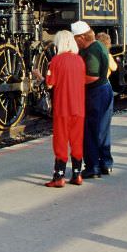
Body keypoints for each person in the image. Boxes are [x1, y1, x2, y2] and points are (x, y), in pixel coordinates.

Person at [71, 20, 114, 179]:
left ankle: (92, 166)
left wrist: (73, 81)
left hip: (96, 93)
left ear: (82, 37)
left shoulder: (92, 50)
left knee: (90, 130)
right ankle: (105, 163)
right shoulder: (99, 46)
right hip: (103, 90)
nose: (75, 43)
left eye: (76, 39)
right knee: (102, 129)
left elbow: (92, 76)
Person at [44, 30, 86, 187]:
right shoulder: (80, 61)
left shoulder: (56, 61)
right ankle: (77, 174)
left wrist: (40, 76)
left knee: (61, 141)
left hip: (62, 107)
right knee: (77, 140)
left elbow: (49, 83)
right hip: (79, 107)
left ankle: (59, 176)